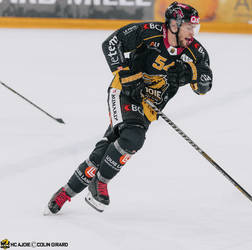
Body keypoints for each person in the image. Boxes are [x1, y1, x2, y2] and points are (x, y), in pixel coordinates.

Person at [45, 1, 213, 214]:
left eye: (194, 28)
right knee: (133, 138)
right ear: (174, 24)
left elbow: (204, 84)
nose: (192, 32)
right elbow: (111, 43)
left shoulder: (195, 52)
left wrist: (192, 75)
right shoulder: (149, 32)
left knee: (105, 153)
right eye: (189, 26)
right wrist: (125, 75)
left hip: (150, 106)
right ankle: (99, 182)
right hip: (123, 93)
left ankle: (65, 193)